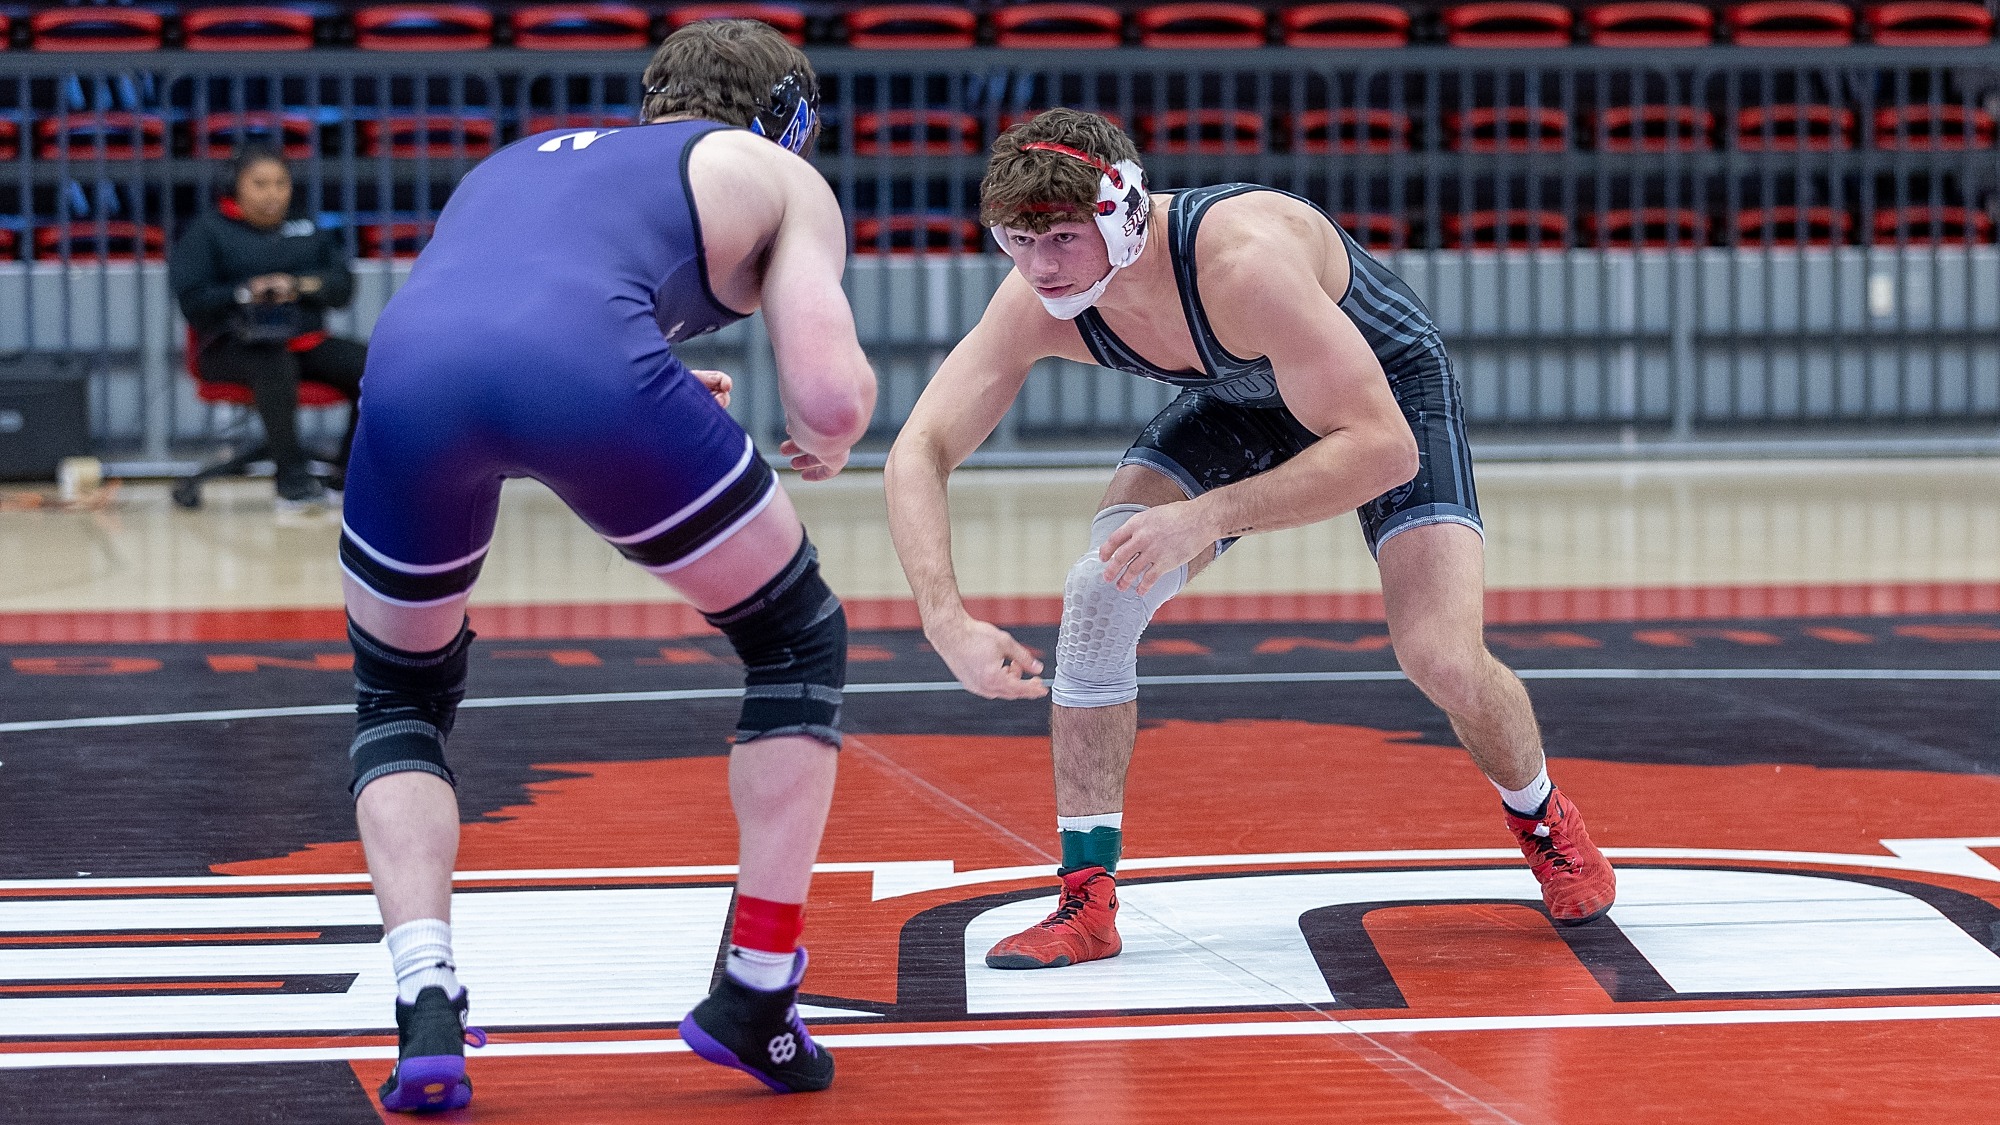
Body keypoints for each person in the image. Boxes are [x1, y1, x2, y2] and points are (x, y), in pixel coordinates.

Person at [884, 109, 1616, 972]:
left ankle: (1542, 817)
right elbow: (918, 449)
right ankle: (1086, 900)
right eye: (1017, 240)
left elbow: (1383, 449)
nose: (1040, 267)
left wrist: (1206, 515)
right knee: (1099, 595)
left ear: (1124, 213)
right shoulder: (1039, 298)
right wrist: (944, 616)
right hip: (1242, 397)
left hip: (1379, 400)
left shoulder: (1241, 263)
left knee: (1441, 657)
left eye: (1062, 239)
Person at [335, 20, 874, 1111]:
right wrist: (831, 435)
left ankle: (425, 1005)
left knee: (396, 692)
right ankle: (757, 991)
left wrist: (654, 394)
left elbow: (512, 327)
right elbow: (827, 398)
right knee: (794, 637)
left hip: (404, 381)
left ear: (652, 102)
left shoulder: (517, 160)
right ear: (790, 120)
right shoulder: (773, 172)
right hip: (586, 383)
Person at [168, 143, 363, 511]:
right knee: (273, 363)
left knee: (372, 368)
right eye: (260, 184)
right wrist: (246, 292)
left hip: (303, 341)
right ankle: (292, 481)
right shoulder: (208, 232)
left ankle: (347, 473)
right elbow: (193, 301)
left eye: (280, 184)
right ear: (235, 186)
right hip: (229, 347)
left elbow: (342, 286)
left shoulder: (306, 227)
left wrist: (297, 285)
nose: (273, 194)